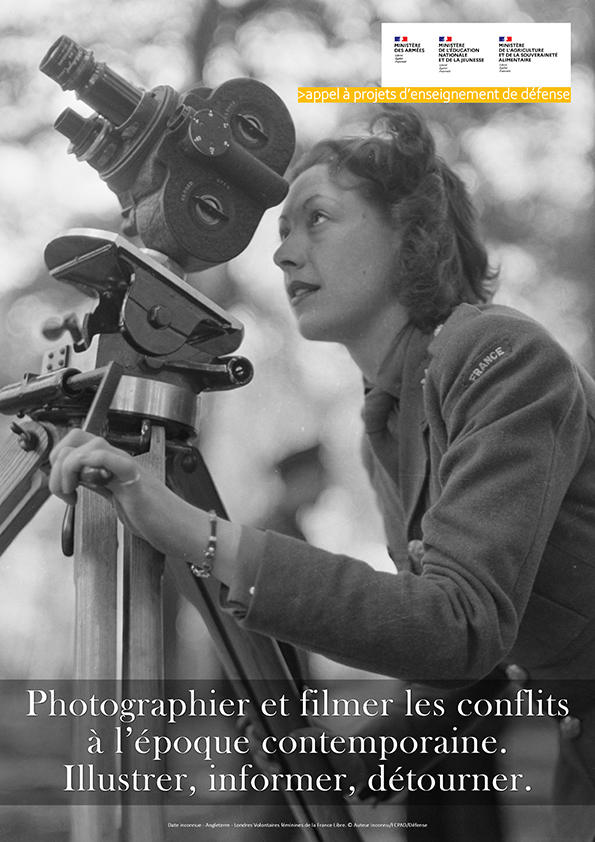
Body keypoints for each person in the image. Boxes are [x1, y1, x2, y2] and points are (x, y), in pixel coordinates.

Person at [48, 106, 595, 840]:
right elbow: (474, 669)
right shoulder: (388, 422)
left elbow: (460, 625)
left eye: (317, 220)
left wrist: (193, 532)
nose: (283, 255)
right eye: (280, 234)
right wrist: (356, 762)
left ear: (412, 233)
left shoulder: (498, 356)